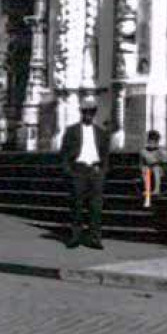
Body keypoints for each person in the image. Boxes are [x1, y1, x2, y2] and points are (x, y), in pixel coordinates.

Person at [59, 94, 111, 249]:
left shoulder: (101, 132)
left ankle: (95, 238)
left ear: (94, 113)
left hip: (95, 171)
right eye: (85, 111)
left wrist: (103, 171)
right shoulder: (72, 130)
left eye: (91, 112)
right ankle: (75, 237)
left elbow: (105, 154)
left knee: (96, 207)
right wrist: (68, 170)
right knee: (77, 205)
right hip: (78, 170)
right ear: (81, 112)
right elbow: (64, 152)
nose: (88, 114)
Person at [139, 130, 167, 209]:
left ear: (157, 141)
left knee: (156, 168)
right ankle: (147, 189)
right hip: (148, 172)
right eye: (150, 141)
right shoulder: (143, 151)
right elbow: (141, 164)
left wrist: (162, 159)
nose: (152, 143)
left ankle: (156, 189)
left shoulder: (161, 150)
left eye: (154, 141)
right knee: (146, 169)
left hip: (160, 171)